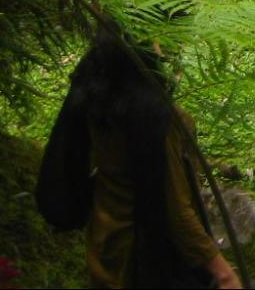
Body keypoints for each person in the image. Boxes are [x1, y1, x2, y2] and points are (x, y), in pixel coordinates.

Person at [36, 27, 242, 290]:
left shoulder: (98, 89)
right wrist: (224, 274)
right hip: (143, 263)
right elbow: (178, 214)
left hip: (104, 245)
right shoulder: (162, 118)